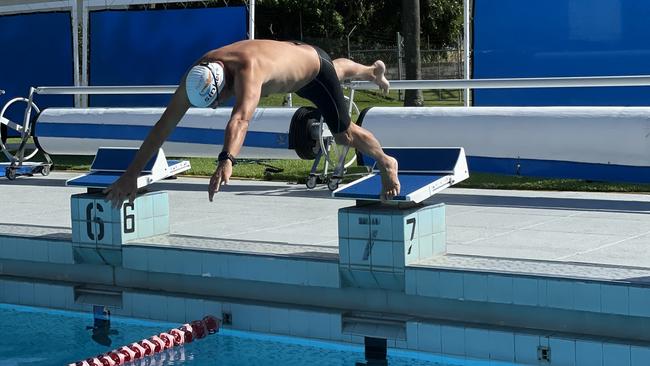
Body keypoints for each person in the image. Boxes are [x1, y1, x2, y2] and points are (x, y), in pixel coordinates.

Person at [104, 39, 400, 207]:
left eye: (219, 99)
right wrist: (131, 174)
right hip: (295, 59)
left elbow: (241, 119)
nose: (218, 105)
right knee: (334, 70)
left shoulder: (248, 71)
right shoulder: (197, 74)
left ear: (226, 83)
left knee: (344, 134)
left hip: (311, 69)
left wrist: (226, 159)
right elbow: (162, 126)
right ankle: (372, 71)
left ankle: (387, 162)